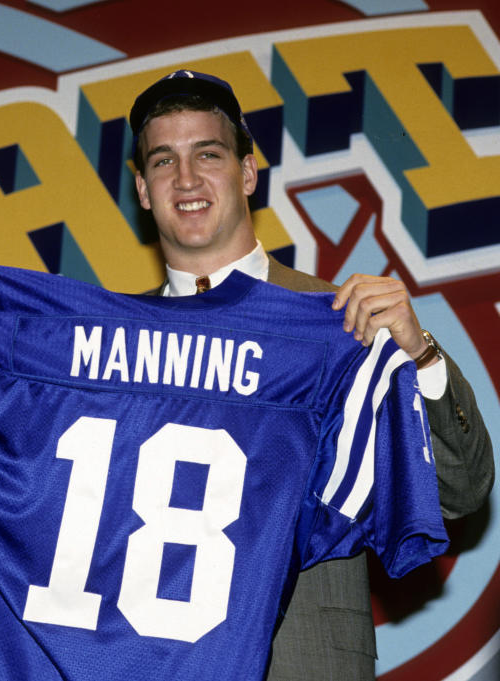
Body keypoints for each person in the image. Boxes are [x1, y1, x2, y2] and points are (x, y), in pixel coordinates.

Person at [123, 69, 494, 680]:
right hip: (150, 663)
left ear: (247, 172)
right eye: (163, 162)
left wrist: (420, 356)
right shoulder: (113, 345)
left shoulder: (345, 326)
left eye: (207, 154)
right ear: (142, 189)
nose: (185, 179)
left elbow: (460, 490)